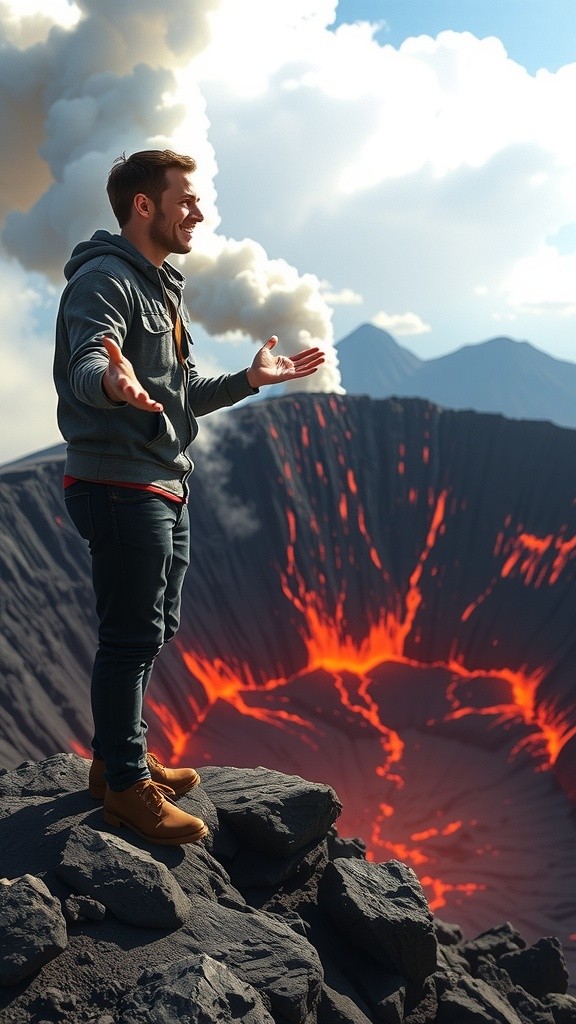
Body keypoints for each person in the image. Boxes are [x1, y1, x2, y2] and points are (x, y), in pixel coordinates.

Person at [53, 149, 324, 846]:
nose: (199, 213)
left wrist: (249, 380)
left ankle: (114, 761)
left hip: (162, 482)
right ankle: (126, 788)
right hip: (120, 485)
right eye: (187, 200)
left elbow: (183, 395)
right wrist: (110, 383)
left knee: (153, 628)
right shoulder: (105, 281)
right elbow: (89, 362)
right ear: (144, 206)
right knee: (129, 636)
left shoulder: (162, 288)